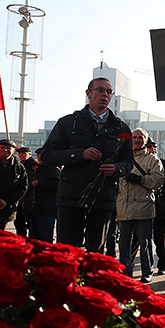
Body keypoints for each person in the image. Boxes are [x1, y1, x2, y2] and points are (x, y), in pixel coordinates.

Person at [39, 78, 134, 252]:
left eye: (109, 92)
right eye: (100, 90)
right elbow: (47, 155)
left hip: (102, 199)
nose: (105, 95)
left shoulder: (120, 128)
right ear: (88, 93)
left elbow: (129, 162)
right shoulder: (68, 123)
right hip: (71, 198)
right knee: (67, 252)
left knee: (96, 254)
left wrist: (116, 169)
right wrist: (79, 154)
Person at [116, 128, 164, 282]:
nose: (137, 140)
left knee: (145, 242)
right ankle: (124, 271)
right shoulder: (121, 158)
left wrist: (140, 179)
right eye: (134, 137)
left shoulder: (153, 160)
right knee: (123, 243)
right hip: (123, 207)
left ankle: (147, 271)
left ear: (146, 140)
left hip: (144, 207)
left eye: (140, 137)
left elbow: (158, 182)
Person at [148, 140, 165, 274]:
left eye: (154, 146)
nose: (152, 149)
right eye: (149, 146)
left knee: (161, 239)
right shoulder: (134, 162)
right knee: (138, 239)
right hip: (141, 208)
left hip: (160, 208)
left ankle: (163, 264)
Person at [30, 151, 60, 243]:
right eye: (38, 156)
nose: (39, 158)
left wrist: (40, 184)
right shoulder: (37, 169)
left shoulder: (53, 169)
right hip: (35, 208)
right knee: (34, 236)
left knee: (45, 237)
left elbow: (57, 185)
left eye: (41, 156)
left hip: (47, 208)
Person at [14, 147, 39, 237]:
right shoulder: (18, 165)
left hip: (30, 198)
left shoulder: (34, 166)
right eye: (20, 154)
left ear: (29, 154)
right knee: (19, 222)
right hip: (20, 198)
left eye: (23, 153)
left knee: (30, 223)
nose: (21, 155)